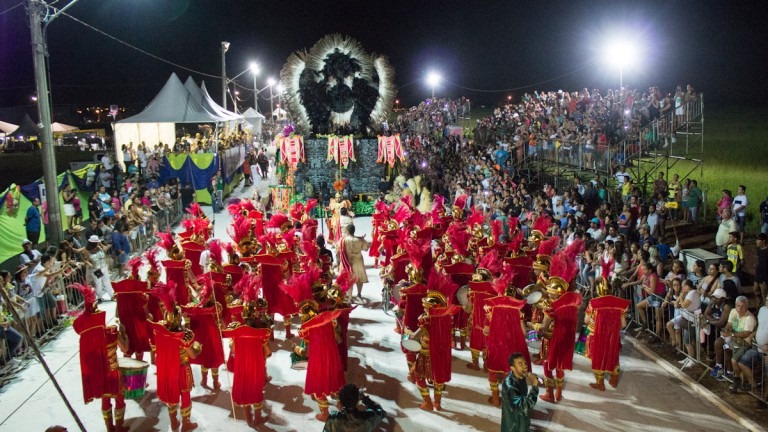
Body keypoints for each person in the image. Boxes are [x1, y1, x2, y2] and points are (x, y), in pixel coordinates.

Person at [71, 282, 129, 432]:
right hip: (113, 372)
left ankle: (109, 428)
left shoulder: (86, 339)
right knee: (119, 398)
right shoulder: (110, 334)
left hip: (99, 373)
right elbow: (125, 348)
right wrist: (123, 333)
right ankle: (120, 427)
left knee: (105, 399)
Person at [149, 281, 201, 431]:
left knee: (171, 396)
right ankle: (186, 423)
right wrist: (197, 348)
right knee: (185, 395)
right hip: (182, 368)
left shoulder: (159, 331)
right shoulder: (184, 335)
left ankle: (173, 422)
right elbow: (193, 354)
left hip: (166, 369)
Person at [500, 352, 539, 432]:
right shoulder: (511, 386)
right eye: (520, 364)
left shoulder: (519, 375)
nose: (525, 366)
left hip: (521, 419)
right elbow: (524, 407)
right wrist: (534, 387)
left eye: (525, 363)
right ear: (512, 368)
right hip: (514, 425)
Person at [338, 224, 370, 300]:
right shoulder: (359, 240)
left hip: (347, 261)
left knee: (348, 279)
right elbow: (366, 248)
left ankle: (350, 297)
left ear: (347, 231)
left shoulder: (343, 240)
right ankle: (359, 294)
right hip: (358, 261)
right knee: (359, 278)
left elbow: (337, 248)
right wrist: (362, 239)